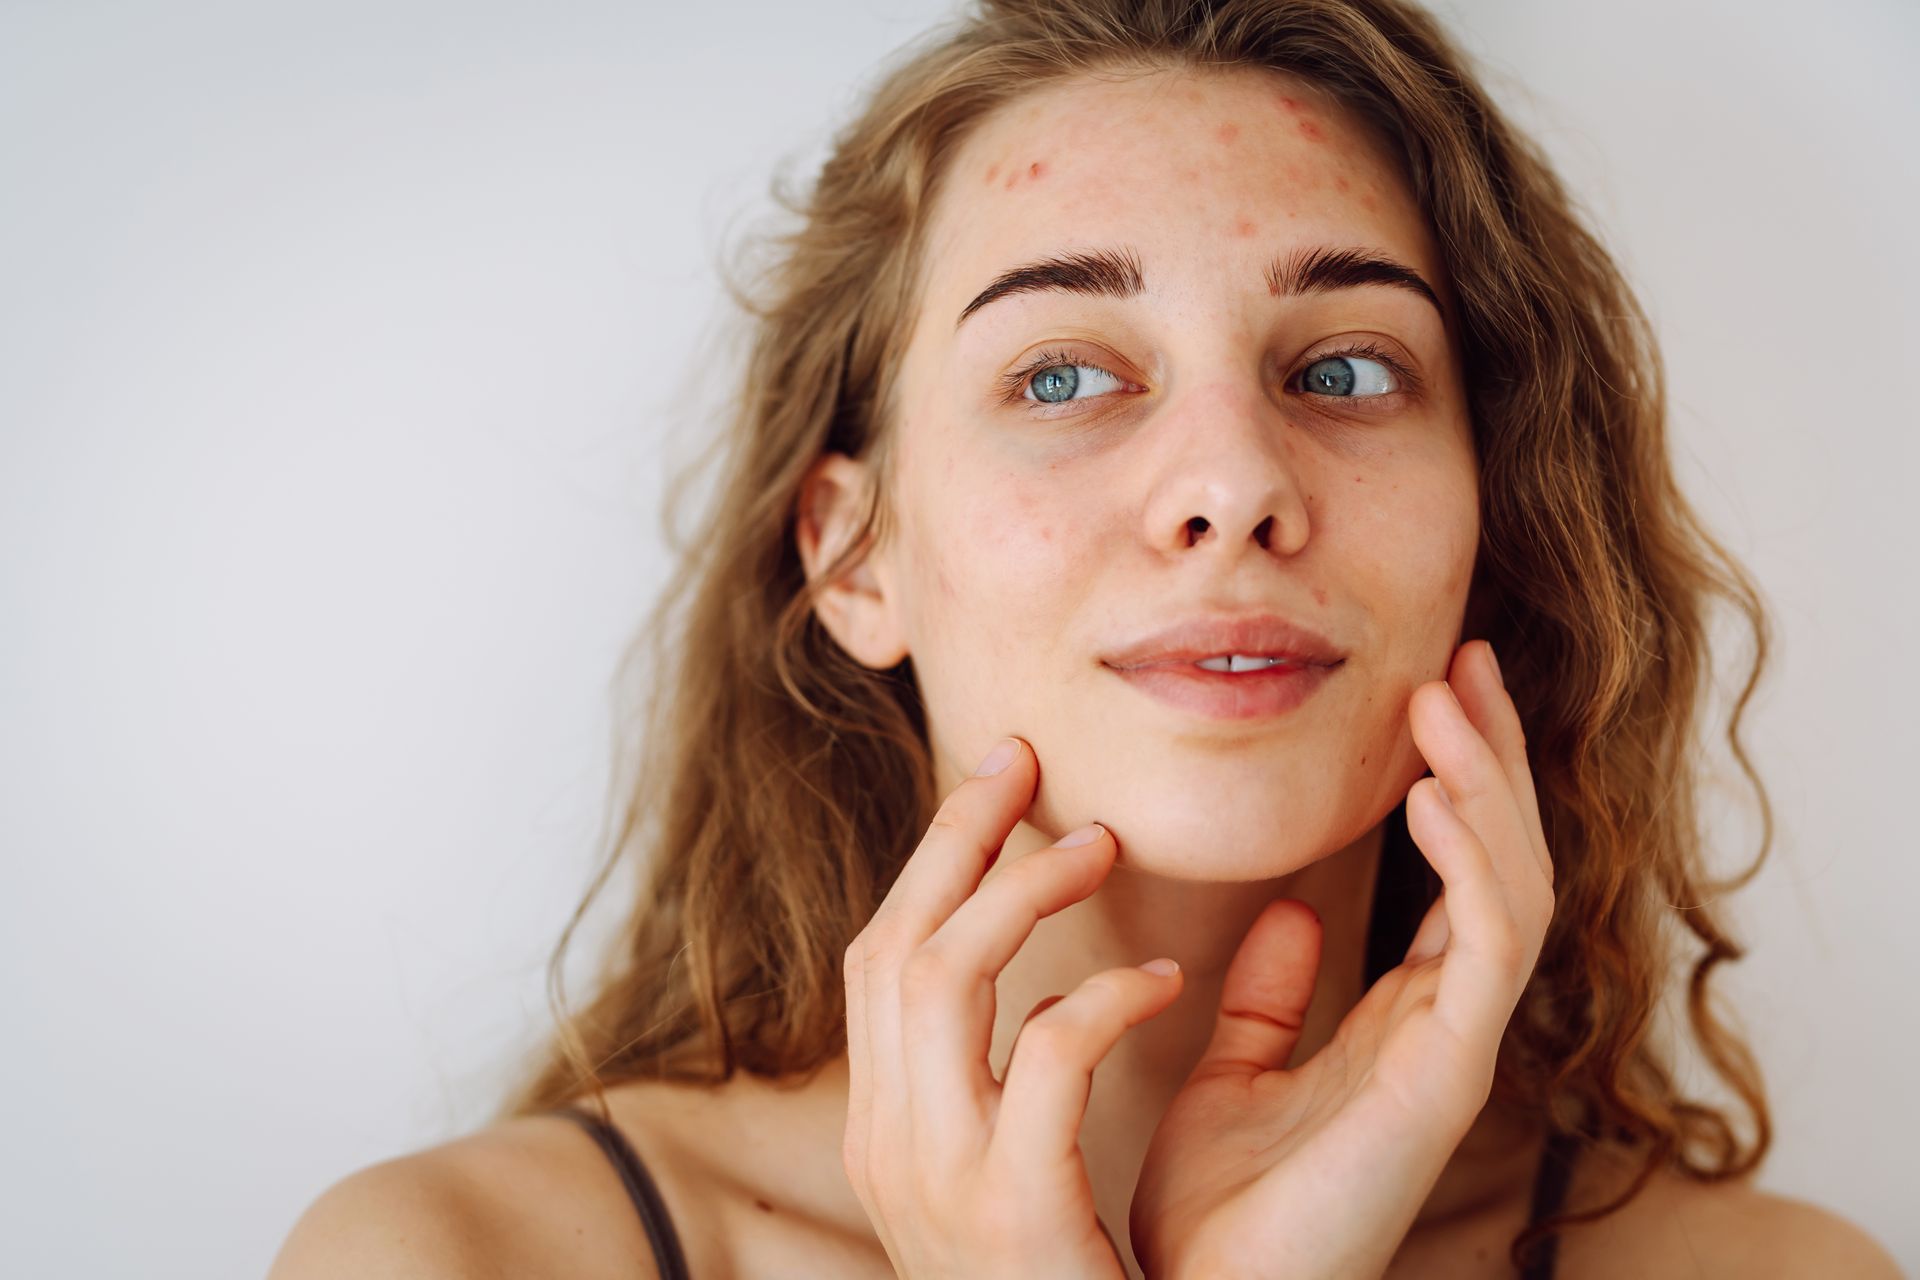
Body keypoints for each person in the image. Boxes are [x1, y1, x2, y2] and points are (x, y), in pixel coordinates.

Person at [268, 0, 1901, 1276]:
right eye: (1062, 375)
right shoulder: (460, 1263)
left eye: (1343, 371)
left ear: (1498, 525)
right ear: (851, 556)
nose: (1236, 484)